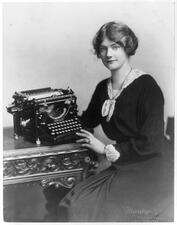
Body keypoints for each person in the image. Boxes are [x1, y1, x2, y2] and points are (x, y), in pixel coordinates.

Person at [58, 21, 173, 222]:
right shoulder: (103, 88)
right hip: (124, 165)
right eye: (103, 49)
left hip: (153, 168)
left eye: (115, 46)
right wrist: (56, 116)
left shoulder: (148, 86)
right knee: (73, 201)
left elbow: (151, 142)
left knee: (88, 208)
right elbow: (86, 121)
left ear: (128, 47)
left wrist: (104, 150)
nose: (108, 54)